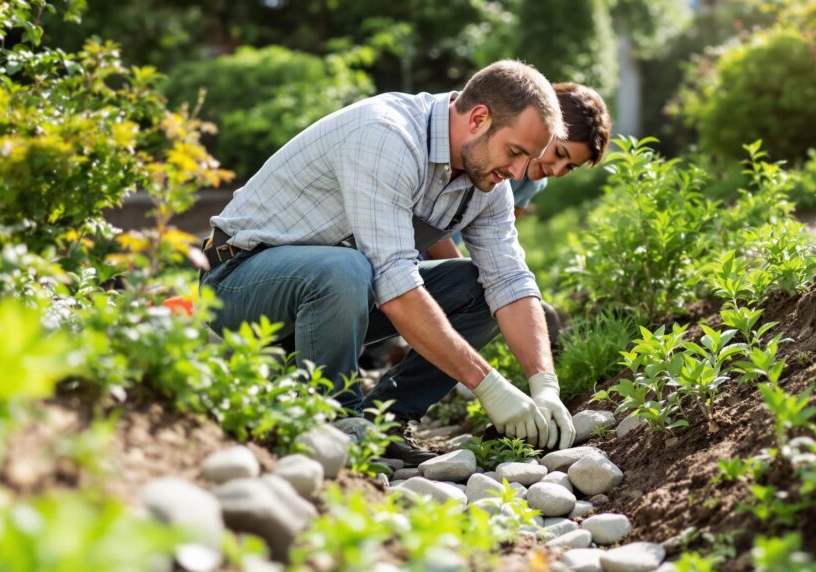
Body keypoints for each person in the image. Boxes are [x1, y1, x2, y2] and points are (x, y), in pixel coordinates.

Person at [198, 60, 576, 466]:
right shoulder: (386, 135)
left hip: (337, 302)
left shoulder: (487, 183)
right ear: (479, 118)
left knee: (478, 289)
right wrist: (490, 386)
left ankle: (386, 422)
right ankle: (335, 418)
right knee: (346, 268)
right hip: (238, 283)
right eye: (515, 152)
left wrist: (544, 383)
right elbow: (394, 283)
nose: (519, 172)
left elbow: (510, 280)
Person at [424, 82, 611, 347]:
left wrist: (517, 301)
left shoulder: (532, 182)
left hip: (442, 261)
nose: (557, 170)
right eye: (559, 153)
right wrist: (477, 288)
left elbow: (500, 243)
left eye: (570, 166)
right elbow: (429, 234)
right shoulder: (480, 148)